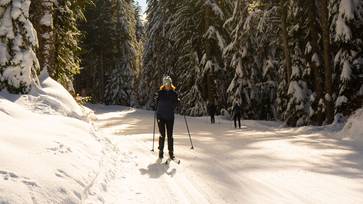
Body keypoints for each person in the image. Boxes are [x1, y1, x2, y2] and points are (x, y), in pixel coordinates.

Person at [155, 76, 179, 159]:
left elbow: (175, 105)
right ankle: (161, 151)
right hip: (160, 116)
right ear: (163, 84)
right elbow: (157, 102)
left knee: (170, 135)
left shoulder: (174, 93)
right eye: (165, 83)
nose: (167, 85)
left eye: (168, 83)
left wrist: (178, 102)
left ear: (170, 84)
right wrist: (156, 100)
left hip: (170, 117)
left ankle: (171, 152)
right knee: (162, 135)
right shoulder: (160, 92)